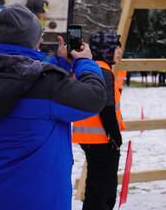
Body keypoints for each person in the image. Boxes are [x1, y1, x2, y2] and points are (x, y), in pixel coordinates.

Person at [0, 4, 106, 210]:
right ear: (36, 40)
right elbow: (94, 98)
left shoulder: (44, 82)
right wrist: (84, 62)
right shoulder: (48, 86)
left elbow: (19, 77)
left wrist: (60, 64)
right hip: (40, 200)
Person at [73, 31, 126, 210]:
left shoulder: (91, 67)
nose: (119, 50)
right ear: (105, 50)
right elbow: (107, 107)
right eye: (116, 47)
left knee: (96, 188)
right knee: (104, 192)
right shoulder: (103, 70)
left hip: (91, 139)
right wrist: (115, 137)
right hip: (103, 139)